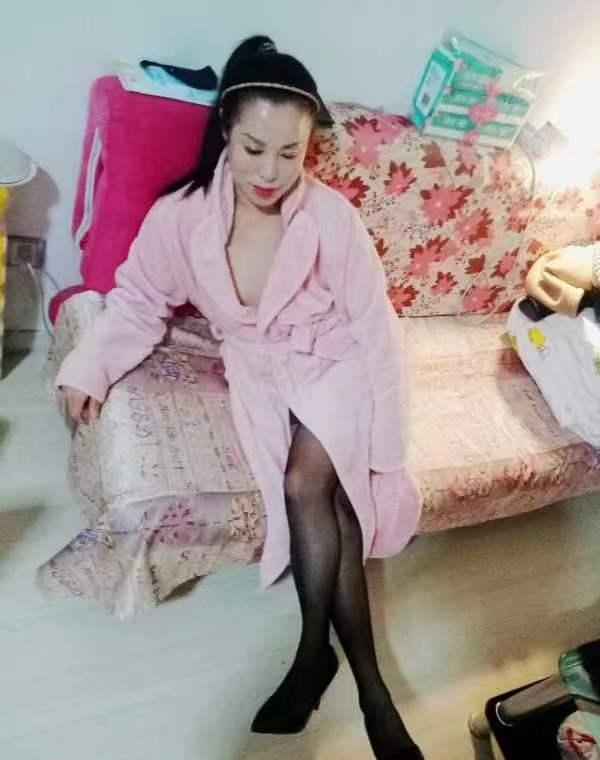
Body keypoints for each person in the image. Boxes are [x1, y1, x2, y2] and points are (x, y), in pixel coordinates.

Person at [57, 35, 424, 760]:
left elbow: (375, 329)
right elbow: (138, 301)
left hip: (336, 360)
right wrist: (89, 365)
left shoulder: (330, 219)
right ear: (225, 128)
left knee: (309, 484)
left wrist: (387, 449)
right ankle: (350, 678)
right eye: (255, 148)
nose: (271, 172)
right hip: (261, 370)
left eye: (291, 153)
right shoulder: (181, 217)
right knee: (329, 504)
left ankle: (339, 672)